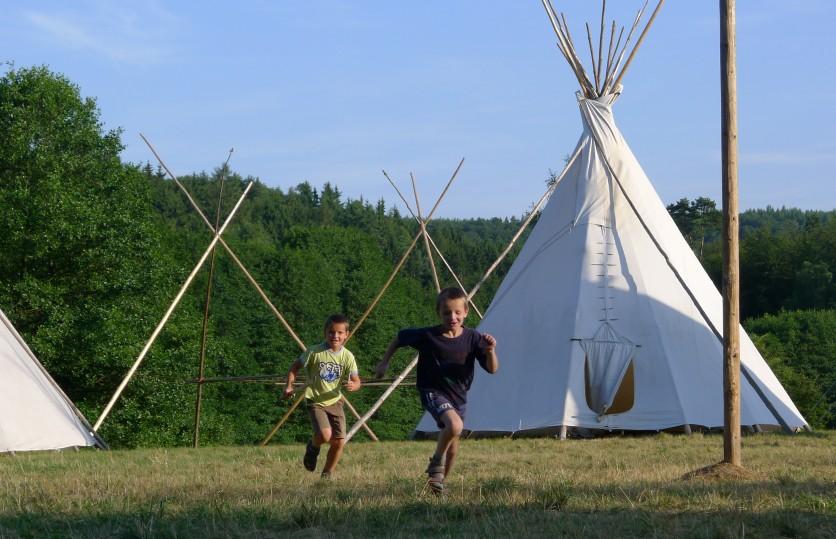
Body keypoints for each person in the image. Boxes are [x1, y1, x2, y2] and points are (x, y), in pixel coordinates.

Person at [375, 287, 498, 494]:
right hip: (432, 391)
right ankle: (435, 463)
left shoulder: (473, 338)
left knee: (453, 447)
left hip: (459, 396)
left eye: (457, 312)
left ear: (466, 312)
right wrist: (384, 363)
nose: (452, 317)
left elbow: (493, 369)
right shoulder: (428, 335)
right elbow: (399, 338)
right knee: (456, 425)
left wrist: (491, 352)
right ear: (438, 313)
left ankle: (437, 484)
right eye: (447, 312)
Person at [283, 314, 361, 479]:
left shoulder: (348, 357)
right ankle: (313, 447)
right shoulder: (314, 352)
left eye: (340, 333)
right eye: (331, 332)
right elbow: (294, 368)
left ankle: (326, 475)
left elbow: (357, 381)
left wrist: (354, 385)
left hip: (335, 401)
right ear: (325, 333)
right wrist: (289, 385)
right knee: (325, 436)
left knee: (339, 441)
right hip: (315, 400)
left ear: (346, 334)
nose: (335, 336)